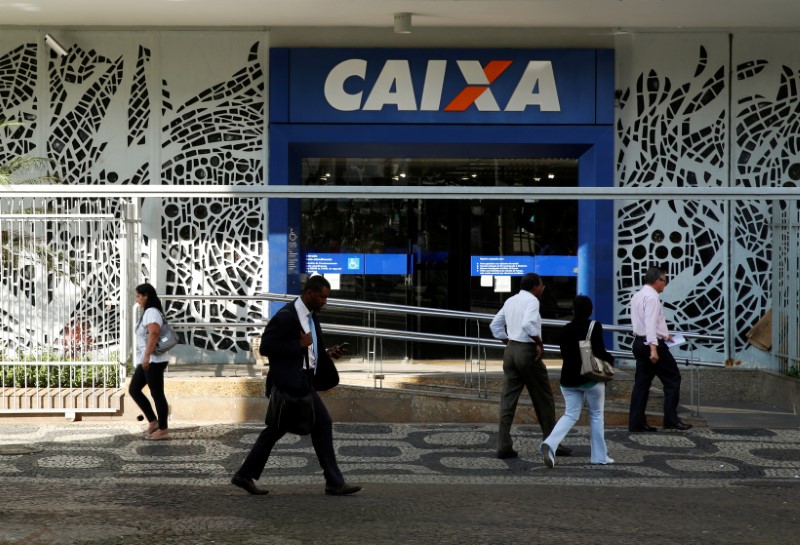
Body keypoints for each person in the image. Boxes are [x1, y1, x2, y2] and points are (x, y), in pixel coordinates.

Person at [231, 275, 361, 496]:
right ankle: (334, 482)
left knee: (282, 429)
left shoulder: (311, 316)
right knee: (313, 425)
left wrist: (327, 353)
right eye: (322, 297)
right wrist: (297, 344)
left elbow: (309, 350)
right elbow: (266, 347)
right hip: (292, 382)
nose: (324, 301)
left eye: (326, 298)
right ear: (309, 293)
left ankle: (245, 475)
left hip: (304, 380)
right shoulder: (287, 316)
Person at [490, 272, 571, 459]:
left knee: (508, 400)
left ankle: (503, 445)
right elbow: (527, 324)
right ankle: (552, 443)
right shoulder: (533, 301)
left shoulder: (510, 300)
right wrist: (539, 342)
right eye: (541, 285)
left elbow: (495, 326)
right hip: (527, 351)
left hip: (510, 351)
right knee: (543, 398)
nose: (543, 288)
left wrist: (508, 342)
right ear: (534, 286)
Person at [540, 296, 614, 468]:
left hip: (568, 379)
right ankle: (599, 457)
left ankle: (550, 444)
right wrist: (610, 360)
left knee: (570, 414)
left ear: (573, 310)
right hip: (590, 378)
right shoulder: (594, 326)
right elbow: (600, 351)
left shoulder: (566, 329)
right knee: (596, 415)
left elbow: (564, 354)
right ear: (590, 311)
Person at [628, 266, 692, 432]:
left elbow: (643, 323)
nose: (665, 284)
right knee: (672, 379)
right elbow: (649, 324)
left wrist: (664, 335)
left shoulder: (637, 295)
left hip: (639, 343)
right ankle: (671, 419)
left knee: (641, 384)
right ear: (657, 281)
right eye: (664, 280)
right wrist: (654, 349)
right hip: (651, 344)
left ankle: (636, 422)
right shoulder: (652, 298)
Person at [128, 282, 170, 441]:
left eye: (139, 296)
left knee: (157, 394)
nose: (137, 299)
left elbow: (154, 333)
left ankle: (163, 430)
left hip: (154, 360)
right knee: (134, 389)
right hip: (150, 359)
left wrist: (146, 356)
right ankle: (153, 421)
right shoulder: (150, 312)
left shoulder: (151, 312)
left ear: (146, 296)